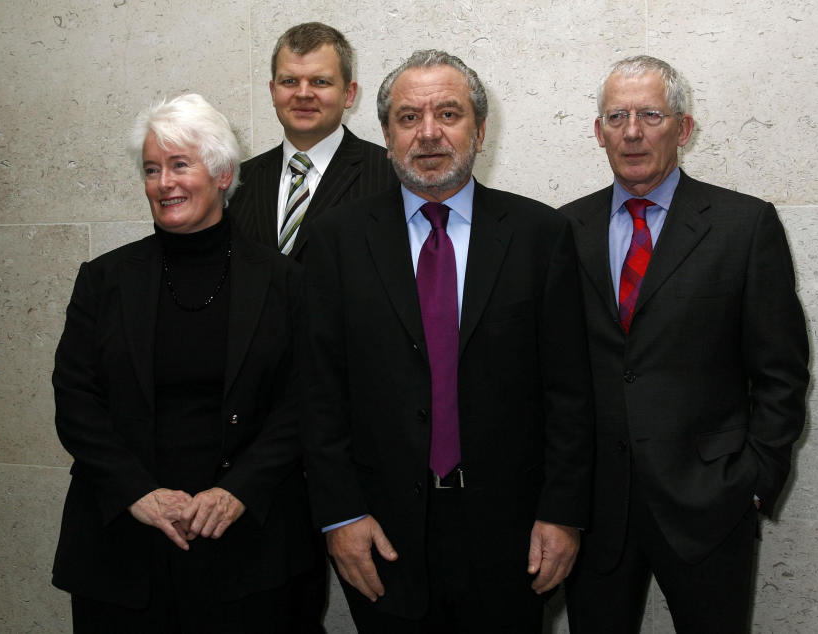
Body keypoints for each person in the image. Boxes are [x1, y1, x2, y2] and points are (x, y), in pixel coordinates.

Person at [302, 49, 594, 633]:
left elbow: (571, 391)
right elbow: (316, 391)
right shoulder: (336, 239)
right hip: (381, 532)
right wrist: (340, 516)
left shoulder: (541, 236)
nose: (429, 133)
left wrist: (563, 514)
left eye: (449, 114)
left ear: (480, 130)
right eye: (408, 118)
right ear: (386, 136)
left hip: (511, 533)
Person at [559, 55, 810, 633]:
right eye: (616, 116)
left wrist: (753, 482)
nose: (632, 131)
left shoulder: (744, 226)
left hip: (710, 505)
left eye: (651, 114)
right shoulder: (564, 229)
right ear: (598, 132)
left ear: (684, 128)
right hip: (595, 511)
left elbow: (782, 372)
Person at [51, 93, 315, 632]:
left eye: (179, 165)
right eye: (152, 169)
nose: (164, 183)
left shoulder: (285, 281)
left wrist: (237, 489)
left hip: (247, 545)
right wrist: (137, 493)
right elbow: (75, 399)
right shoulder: (103, 279)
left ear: (221, 174)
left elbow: (304, 402)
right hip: (123, 546)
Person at [228, 22, 398, 260]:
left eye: (320, 82)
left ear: (349, 94)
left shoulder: (390, 176)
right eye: (289, 81)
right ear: (273, 92)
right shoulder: (238, 183)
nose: (303, 93)